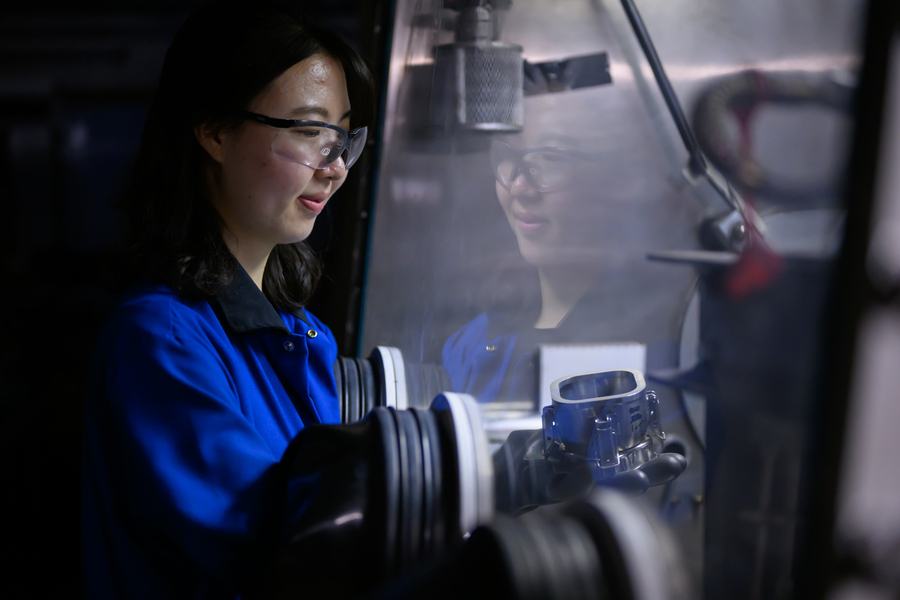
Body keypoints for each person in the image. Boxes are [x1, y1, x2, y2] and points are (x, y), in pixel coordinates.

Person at [80, 2, 374, 597]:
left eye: (343, 135)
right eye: (310, 131)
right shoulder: (160, 338)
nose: (336, 166)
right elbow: (282, 543)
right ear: (214, 131)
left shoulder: (298, 333)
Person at [442, 91, 701, 406]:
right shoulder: (473, 345)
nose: (520, 187)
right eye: (510, 157)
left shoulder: (662, 355)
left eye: (550, 159)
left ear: (613, 182)